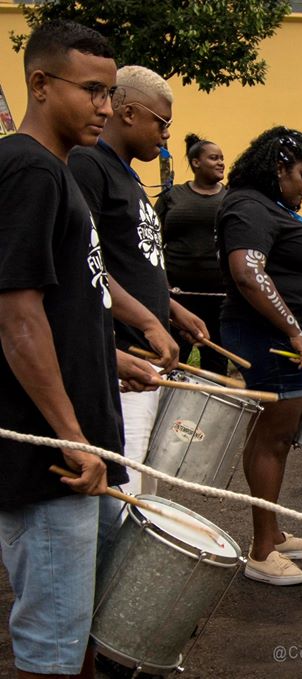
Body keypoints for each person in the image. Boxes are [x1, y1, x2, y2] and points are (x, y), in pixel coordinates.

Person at [0, 20, 162, 679]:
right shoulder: (29, 170)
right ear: (40, 84)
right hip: (55, 458)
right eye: (92, 90)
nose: (105, 106)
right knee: (52, 647)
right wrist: (71, 438)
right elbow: (16, 316)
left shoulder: (59, 173)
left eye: (110, 92)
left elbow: (66, 302)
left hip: (83, 447)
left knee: (85, 629)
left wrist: (109, 357)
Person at [68, 65, 203, 498]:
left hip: (146, 356)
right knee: (125, 499)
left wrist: (171, 309)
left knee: (144, 493)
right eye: (161, 122)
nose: (167, 134)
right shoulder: (89, 164)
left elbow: (133, 261)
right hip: (122, 358)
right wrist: (146, 323)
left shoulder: (126, 175)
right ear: (128, 113)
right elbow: (83, 261)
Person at [216, 126, 302, 586]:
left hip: (275, 338)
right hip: (268, 340)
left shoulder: (265, 205)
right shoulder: (249, 205)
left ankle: (272, 533)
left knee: (270, 438)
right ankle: (262, 550)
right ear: (279, 168)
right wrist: (293, 329)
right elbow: (248, 271)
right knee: (272, 441)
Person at [156, 133, 228, 373]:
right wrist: (161, 281)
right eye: (214, 158)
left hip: (219, 299)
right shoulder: (172, 196)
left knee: (216, 366)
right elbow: (153, 239)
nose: (221, 163)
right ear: (196, 162)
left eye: (222, 158)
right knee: (172, 361)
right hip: (177, 298)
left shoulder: (231, 198)